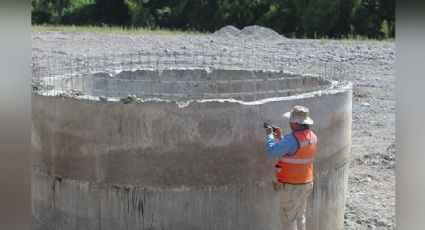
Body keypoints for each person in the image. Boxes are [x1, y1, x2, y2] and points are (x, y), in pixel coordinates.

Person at [264, 105, 317, 230]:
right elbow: (296, 152)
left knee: (288, 220)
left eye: (291, 120)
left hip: (292, 186)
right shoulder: (312, 136)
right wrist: (281, 138)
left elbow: (271, 151)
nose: (289, 122)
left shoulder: (292, 140)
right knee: (300, 216)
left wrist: (269, 136)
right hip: (306, 183)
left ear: (296, 122)